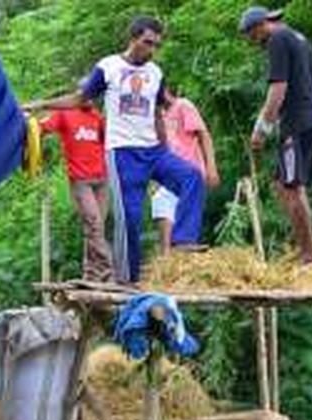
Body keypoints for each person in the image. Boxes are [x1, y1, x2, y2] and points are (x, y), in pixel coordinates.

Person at [24, 16, 204, 283]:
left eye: (156, 45)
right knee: (130, 219)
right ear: (133, 39)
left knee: (192, 176)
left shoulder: (155, 72)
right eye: (147, 43)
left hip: (154, 150)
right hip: (123, 153)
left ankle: (183, 240)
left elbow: (156, 113)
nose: (151, 50)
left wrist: (166, 149)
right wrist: (40, 104)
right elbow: (78, 98)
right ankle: (129, 280)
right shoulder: (109, 67)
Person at [239, 6, 312, 264]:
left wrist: (261, 129)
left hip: (297, 123)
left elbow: (278, 89)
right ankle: (304, 243)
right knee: (282, 183)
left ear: (259, 26)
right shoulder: (301, 40)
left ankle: (308, 252)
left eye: (250, 35)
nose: (252, 41)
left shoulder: (277, 39)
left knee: (291, 187)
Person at [38, 100, 114, 282]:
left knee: (96, 229)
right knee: (94, 223)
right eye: (86, 94)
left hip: (102, 180)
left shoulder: (97, 117)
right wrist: (27, 119)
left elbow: (108, 142)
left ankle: (91, 274)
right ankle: (108, 271)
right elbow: (41, 129)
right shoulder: (65, 113)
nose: (90, 98)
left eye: (92, 95)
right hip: (80, 181)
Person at [152, 86, 220, 255]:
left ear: (166, 91)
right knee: (165, 237)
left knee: (184, 233)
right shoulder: (157, 115)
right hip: (168, 178)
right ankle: (168, 268)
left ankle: (184, 245)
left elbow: (204, 136)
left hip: (190, 174)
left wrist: (211, 167)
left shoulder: (183, 105)